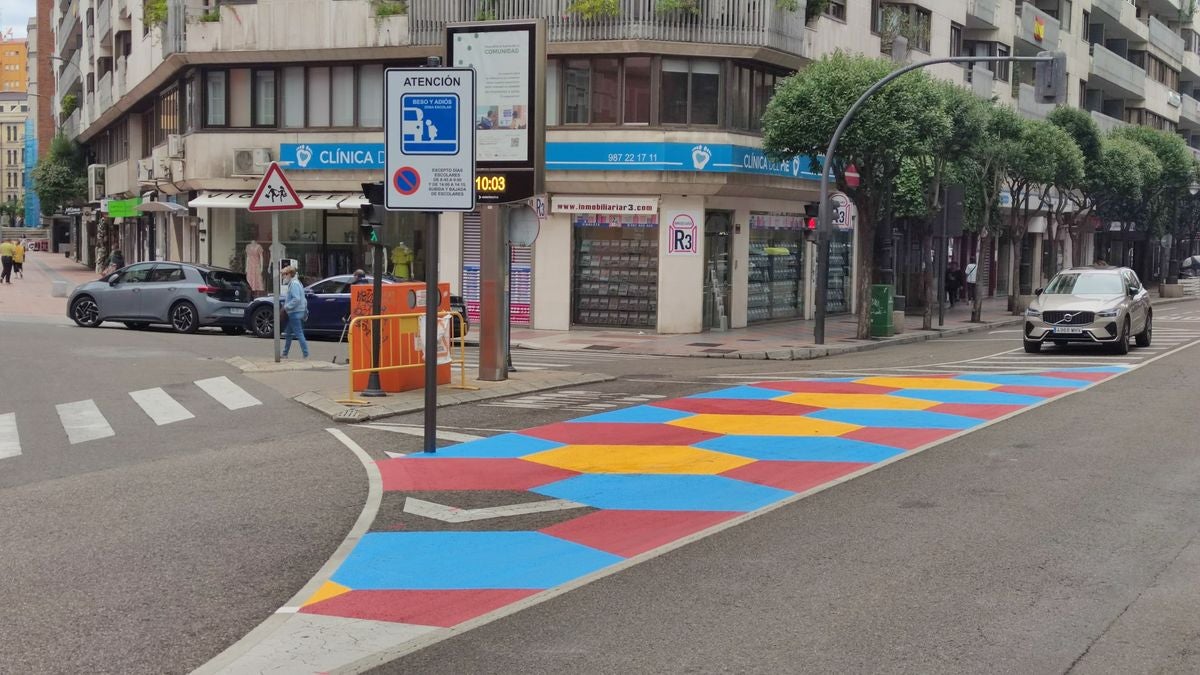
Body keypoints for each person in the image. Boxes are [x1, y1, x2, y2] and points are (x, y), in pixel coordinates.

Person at [281, 266, 309, 359]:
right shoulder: (297, 283)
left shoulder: (294, 284)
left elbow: (296, 299)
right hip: (296, 312)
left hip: (294, 313)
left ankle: (306, 355)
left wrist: (286, 307)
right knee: (288, 333)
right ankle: (285, 353)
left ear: (289, 274)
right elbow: (303, 300)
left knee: (299, 333)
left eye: (284, 274)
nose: (282, 277)